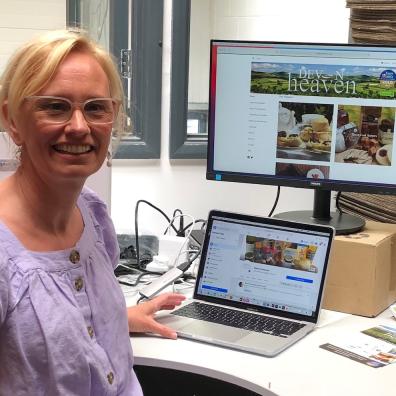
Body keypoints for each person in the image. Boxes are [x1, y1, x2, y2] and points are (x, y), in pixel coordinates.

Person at [0, 29, 185, 395]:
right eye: (55, 106)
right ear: (13, 121)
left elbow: (47, 325)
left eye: (96, 108)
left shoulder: (93, 215)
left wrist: (121, 318)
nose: (80, 127)